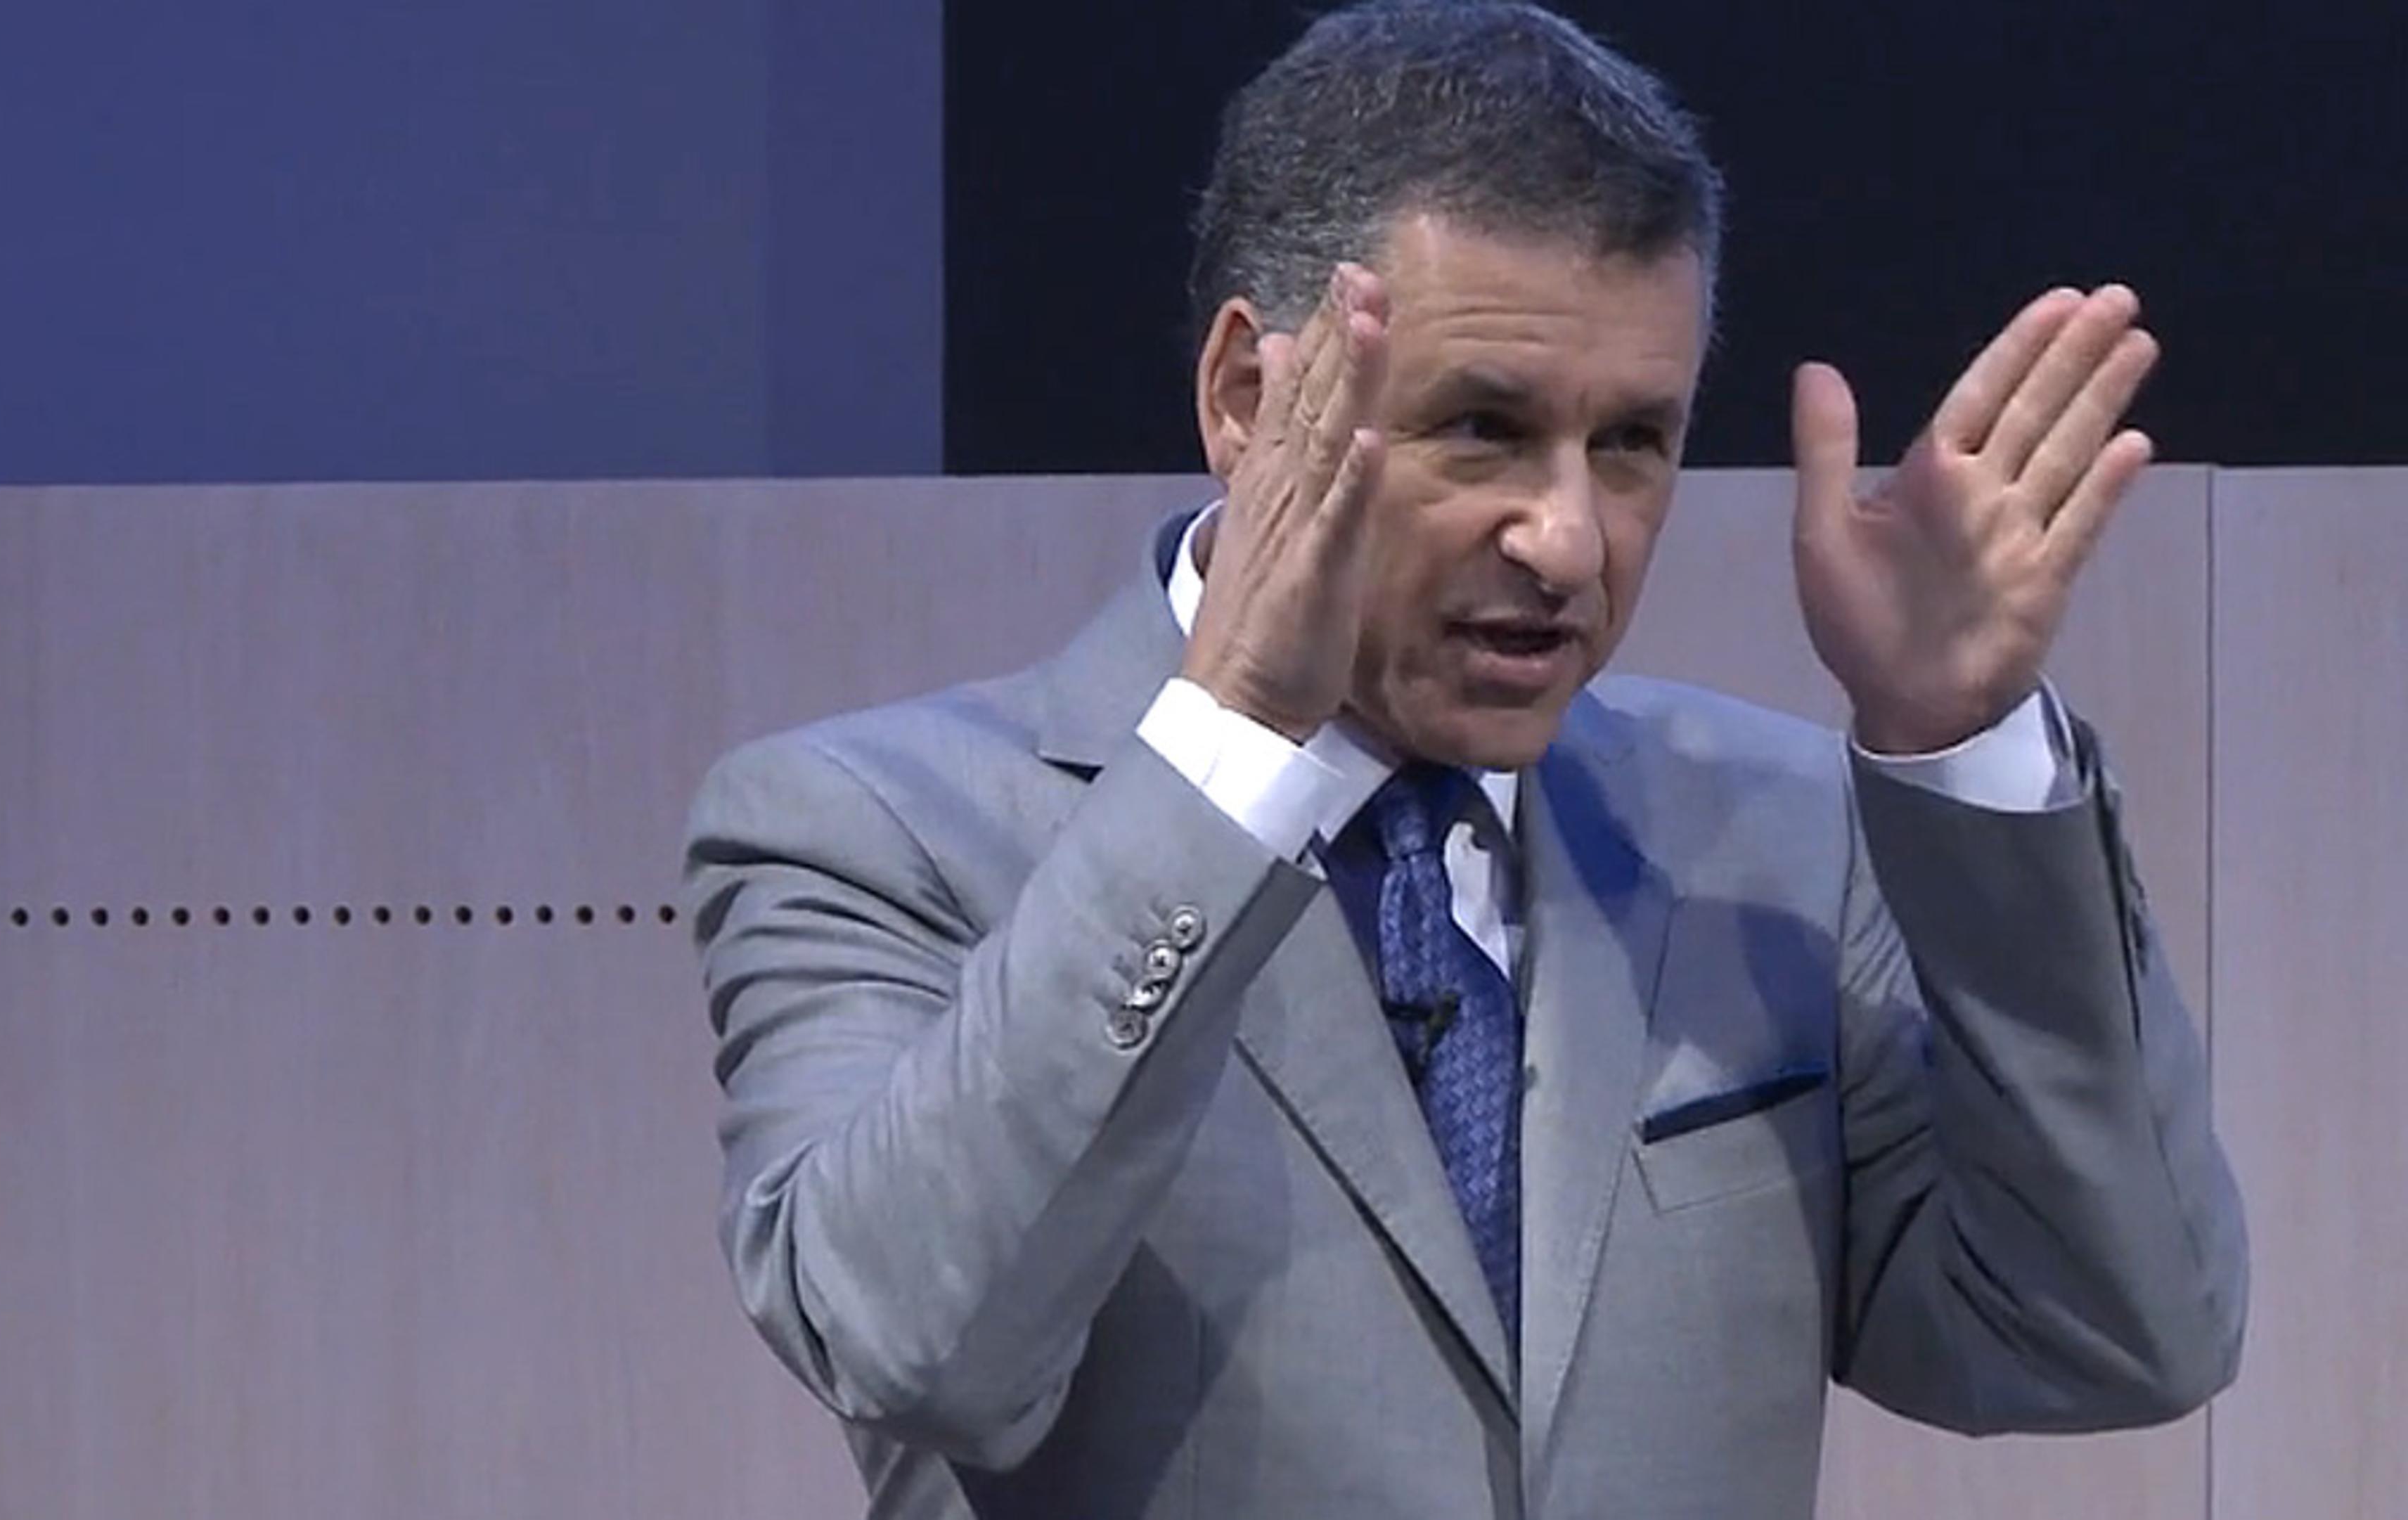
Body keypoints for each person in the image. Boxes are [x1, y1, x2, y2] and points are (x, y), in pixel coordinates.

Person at [683, 3, 2248, 1515]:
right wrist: (1231, 742)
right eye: (1482, 428)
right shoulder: (875, 833)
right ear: (1247, 394)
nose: (1567, 538)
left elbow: (2116, 1326)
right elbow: (912, 1346)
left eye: (1633, 441)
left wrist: (1958, 749)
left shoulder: (1769, 838)